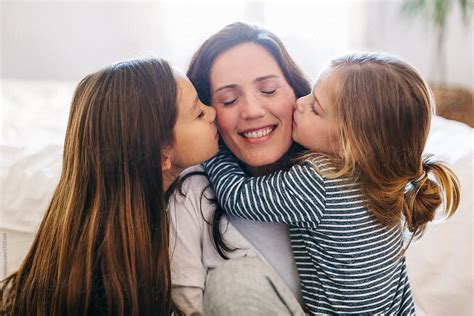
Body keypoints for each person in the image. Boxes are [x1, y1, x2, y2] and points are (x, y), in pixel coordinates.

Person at [204, 52, 461, 315]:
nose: (300, 103)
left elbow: (238, 197)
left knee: (230, 282)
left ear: (347, 145)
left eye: (315, 108)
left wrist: (213, 149)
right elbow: (400, 289)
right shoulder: (389, 186)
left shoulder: (319, 181)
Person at [0, 57, 218, 315]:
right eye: (199, 112)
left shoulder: (103, 211)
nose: (213, 112)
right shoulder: (110, 284)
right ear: (162, 154)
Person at [168, 22, 310, 315]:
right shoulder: (191, 194)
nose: (253, 111)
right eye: (229, 100)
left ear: (297, 93)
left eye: (269, 90)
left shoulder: (339, 179)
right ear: (207, 113)